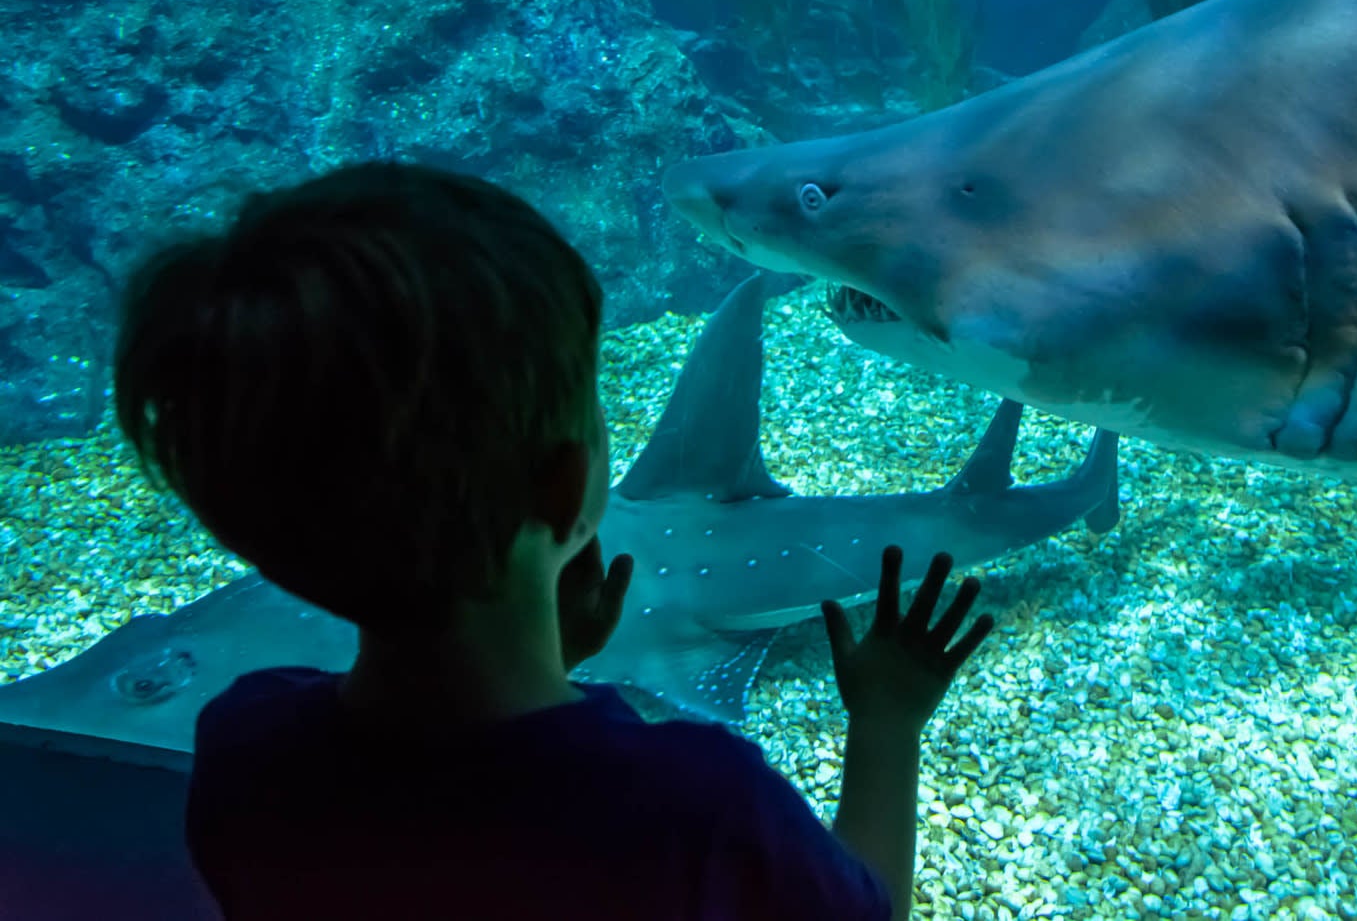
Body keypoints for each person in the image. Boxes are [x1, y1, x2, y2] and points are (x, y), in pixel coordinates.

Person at [111, 160, 995, 921]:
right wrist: (886, 722)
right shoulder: (697, 801)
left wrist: (546, 654)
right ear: (574, 488)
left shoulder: (247, 749)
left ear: (256, 539)